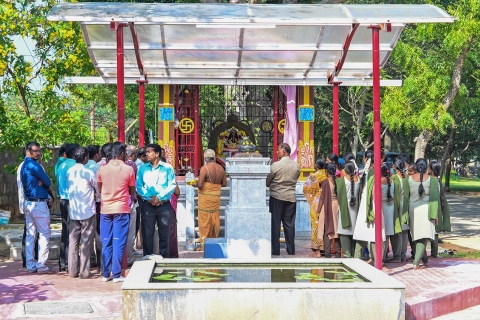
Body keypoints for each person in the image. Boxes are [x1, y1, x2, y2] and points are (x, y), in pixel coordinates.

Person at [97, 142, 136, 282]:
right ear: (121, 154)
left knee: (106, 241)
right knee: (118, 241)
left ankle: (106, 274)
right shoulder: (128, 169)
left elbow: (100, 188)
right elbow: (132, 191)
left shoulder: (102, 169)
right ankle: (117, 274)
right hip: (121, 209)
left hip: (105, 209)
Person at [136, 144, 177, 257]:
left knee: (164, 234)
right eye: (146, 152)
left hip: (164, 205)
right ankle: (147, 257)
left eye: (149, 152)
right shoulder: (143, 169)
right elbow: (139, 186)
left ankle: (164, 258)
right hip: (148, 205)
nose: (146, 154)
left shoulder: (167, 168)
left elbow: (172, 185)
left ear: (157, 153)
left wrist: (160, 197)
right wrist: (150, 198)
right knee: (147, 234)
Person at [21, 142, 53, 273]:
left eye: (39, 151)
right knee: (44, 233)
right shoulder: (34, 165)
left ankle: (30, 265)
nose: (38, 153)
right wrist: (42, 184)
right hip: (38, 203)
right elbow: (48, 182)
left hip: (28, 202)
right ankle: (41, 265)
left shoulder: (24, 165)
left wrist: (41, 183)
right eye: (35, 151)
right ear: (28, 151)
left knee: (30, 234)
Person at [66, 147, 97, 279]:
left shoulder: (70, 171)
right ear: (86, 158)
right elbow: (97, 187)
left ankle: (72, 271)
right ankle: (84, 271)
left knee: (73, 241)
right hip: (87, 210)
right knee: (86, 241)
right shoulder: (87, 172)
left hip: (74, 210)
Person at [267, 143, 300, 256]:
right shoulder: (296, 165)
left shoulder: (275, 165)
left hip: (277, 196)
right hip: (291, 197)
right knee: (289, 224)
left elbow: (268, 180)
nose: (277, 152)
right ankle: (291, 250)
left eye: (278, 150)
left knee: (275, 223)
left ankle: (275, 250)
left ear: (284, 152)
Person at [353, 150, 385, 265]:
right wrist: (376, 207)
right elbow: (373, 191)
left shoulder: (366, 171)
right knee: (374, 232)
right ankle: (377, 260)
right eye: (382, 159)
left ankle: (357, 257)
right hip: (372, 204)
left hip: (365, 204)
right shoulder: (374, 171)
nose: (383, 162)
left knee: (363, 231)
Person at [193, 149, 227, 251]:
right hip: (215, 197)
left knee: (205, 220)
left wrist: (193, 183)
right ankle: (213, 242)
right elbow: (224, 184)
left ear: (206, 159)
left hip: (205, 199)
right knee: (214, 218)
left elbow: (200, 185)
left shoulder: (205, 168)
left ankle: (204, 244)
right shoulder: (221, 168)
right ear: (214, 158)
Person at [408, 158, 439, 269]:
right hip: (426, 210)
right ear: (426, 168)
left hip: (412, 211)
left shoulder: (409, 179)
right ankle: (416, 263)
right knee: (423, 237)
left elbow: (405, 197)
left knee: (417, 237)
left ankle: (424, 259)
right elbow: (435, 199)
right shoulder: (432, 180)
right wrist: (435, 215)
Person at [55, 143, 79, 272]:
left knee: (65, 231)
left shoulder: (61, 165)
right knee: (73, 233)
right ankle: (71, 263)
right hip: (72, 201)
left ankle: (63, 262)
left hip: (63, 200)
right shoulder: (74, 166)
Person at [303, 158, 328, 257]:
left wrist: (312, 199)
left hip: (316, 204)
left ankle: (317, 248)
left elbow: (306, 189)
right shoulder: (327, 174)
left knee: (316, 225)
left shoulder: (314, 176)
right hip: (328, 203)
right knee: (326, 225)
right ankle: (326, 247)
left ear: (316, 166)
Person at [336, 160, 360, 258]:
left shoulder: (341, 181)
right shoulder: (358, 179)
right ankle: (355, 254)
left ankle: (347, 254)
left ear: (345, 169)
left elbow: (337, 196)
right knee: (354, 232)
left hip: (344, 208)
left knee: (344, 232)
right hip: (355, 209)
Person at [316, 163, 341, 258]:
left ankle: (327, 253)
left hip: (327, 206)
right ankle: (338, 253)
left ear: (327, 171)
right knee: (337, 229)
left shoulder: (325, 182)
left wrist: (318, 211)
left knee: (327, 229)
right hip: (336, 206)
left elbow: (322, 198)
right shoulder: (338, 181)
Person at [428, 161, 451, 258]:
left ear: (431, 170)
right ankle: (434, 253)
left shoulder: (431, 181)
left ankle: (432, 254)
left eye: (429, 168)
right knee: (434, 232)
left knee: (432, 232)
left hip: (433, 208)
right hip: (437, 208)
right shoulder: (438, 181)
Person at [380, 163, 402, 262]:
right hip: (392, 209)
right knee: (394, 233)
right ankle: (397, 256)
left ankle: (382, 256)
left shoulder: (378, 182)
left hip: (382, 209)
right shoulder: (394, 183)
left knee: (383, 234)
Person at [391, 157, 410, 262]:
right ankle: (403, 254)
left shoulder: (394, 178)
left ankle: (397, 255)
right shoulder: (407, 177)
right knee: (404, 232)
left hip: (397, 206)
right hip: (406, 206)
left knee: (397, 231)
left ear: (394, 167)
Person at [85, 145, 102, 269]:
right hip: (96, 202)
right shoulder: (96, 167)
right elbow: (98, 187)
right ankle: (101, 259)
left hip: (84, 204)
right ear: (96, 154)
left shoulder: (81, 166)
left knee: (88, 232)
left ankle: (90, 257)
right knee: (98, 232)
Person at [169, 183, 181, 258]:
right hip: (169, 206)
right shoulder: (170, 175)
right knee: (171, 231)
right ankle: (171, 254)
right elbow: (177, 192)